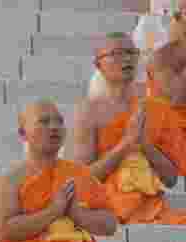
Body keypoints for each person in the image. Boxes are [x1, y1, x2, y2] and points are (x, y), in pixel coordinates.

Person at [0, 100, 151, 242]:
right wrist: (53, 212)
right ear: (23, 134)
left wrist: (77, 214)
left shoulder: (79, 174)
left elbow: (110, 224)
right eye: (44, 121)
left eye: (59, 121)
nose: (54, 126)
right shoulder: (10, 180)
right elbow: (4, 231)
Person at [71, 33, 186, 225]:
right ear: (98, 64)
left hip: (153, 209)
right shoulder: (89, 113)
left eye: (131, 53)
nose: (126, 59)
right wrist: (125, 146)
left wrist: (145, 146)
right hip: (106, 208)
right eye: (116, 53)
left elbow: (171, 178)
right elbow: (82, 179)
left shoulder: (154, 108)